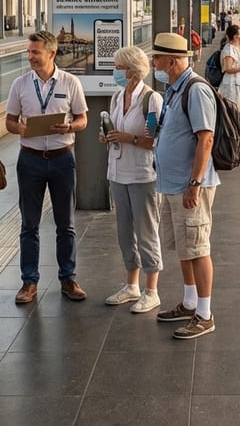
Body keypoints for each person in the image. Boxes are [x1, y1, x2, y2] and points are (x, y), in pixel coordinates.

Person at [5, 31, 89, 304]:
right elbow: (9, 122)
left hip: (62, 158)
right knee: (29, 224)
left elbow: (83, 119)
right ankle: (29, 282)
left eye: (35, 52)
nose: (30, 57)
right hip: (30, 159)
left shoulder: (70, 82)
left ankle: (68, 278)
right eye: (29, 52)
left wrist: (70, 126)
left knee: (66, 224)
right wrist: (20, 128)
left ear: (51, 53)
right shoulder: (19, 84)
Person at [150, 32, 221, 339]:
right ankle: (190, 302)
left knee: (198, 246)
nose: (154, 62)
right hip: (173, 184)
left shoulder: (196, 90)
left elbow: (206, 139)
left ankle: (205, 314)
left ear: (172, 61)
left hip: (190, 185)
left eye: (157, 57)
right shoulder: (173, 89)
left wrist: (194, 183)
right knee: (184, 246)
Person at [99, 45, 164, 313]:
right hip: (117, 172)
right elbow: (116, 128)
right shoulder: (117, 97)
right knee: (124, 232)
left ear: (133, 71)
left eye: (119, 67)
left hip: (142, 174)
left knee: (146, 231)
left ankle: (152, 290)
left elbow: (153, 140)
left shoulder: (151, 99)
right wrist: (108, 136)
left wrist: (127, 138)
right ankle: (131, 285)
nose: (115, 71)